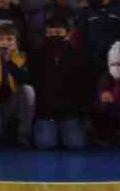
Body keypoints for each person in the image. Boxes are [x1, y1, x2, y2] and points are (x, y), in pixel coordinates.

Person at [29, 11, 88, 151]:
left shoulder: (77, 55)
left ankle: (63, 131)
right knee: (45, 144)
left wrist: (80, 114)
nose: (54, 35)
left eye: (59, 32)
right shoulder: (36, 55)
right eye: (50, 32)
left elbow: (82, 85)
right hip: (45, 112)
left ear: (67, 34)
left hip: (69, 112)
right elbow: (34, 84)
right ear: (45, 34)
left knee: (76, 145)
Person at [0, 22, 33, 148]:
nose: (5, 42)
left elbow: (24, 80)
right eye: (1, 39)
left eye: (10, 39)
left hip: (12, 104)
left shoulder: (23, 58)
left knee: (28, 90)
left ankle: (24, 135)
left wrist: (10, 60)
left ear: (16, 42)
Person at [90, 41, 120, 147]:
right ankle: (105, 135)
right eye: (114, 65)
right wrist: (103, 96)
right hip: (110, 113)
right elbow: (99, 100)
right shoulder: (104, 79)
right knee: (102, 109)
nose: (117, 68)